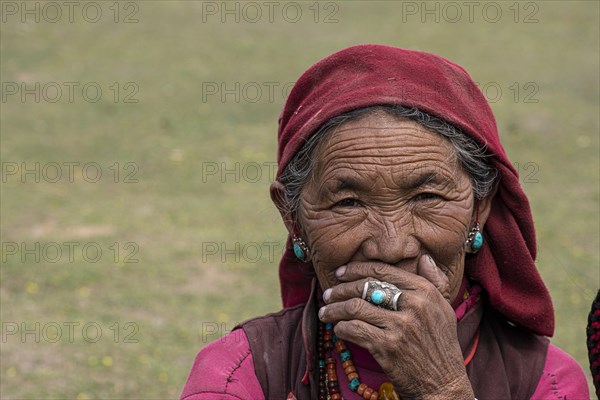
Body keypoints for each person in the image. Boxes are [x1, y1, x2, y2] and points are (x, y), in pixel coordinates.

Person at [181, 44, 589, 399]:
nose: (392, 247)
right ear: (293, 217)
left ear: (479, 208)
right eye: (348, 203)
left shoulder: (546, 382)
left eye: (428, 197)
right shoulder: (240, 373)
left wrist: (442, 389)